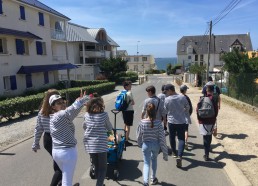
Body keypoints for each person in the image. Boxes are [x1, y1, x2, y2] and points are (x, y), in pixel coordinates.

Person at [50, 91, 91, 186]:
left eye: (62, 102)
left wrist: (78, 101)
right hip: (67, 152)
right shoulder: (62, 115)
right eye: (58, 103)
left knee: (65, 174)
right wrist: (84, 99)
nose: (62, 104)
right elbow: (72, 110)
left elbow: (71, 110)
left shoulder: (53, 116)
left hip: (57, 152)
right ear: (53, 107)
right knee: (67, 181)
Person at [32, 89, 62, 186]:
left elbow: (38, 128)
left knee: (58, 163)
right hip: (56, 139)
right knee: (61, 167)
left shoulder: (42, 111)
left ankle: (61, 183)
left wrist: (35, 143)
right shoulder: (58, 111)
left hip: (48, 140)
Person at [83, 93, 113, 186]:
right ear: (101, 106)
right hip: (101, 145)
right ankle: (99, 184)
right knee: (103, 167)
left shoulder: (86, 115)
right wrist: (111, 138)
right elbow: (109, 128)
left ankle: (99, 182)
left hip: (90, 145)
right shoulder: (104, 115)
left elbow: (84, 127)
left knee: (95, 165)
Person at [137, 103, 168, 186]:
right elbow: (162, 138)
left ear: (146, 111)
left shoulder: (142, 122)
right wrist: (165, 153)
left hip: (146, 145)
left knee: (146, 163)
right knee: (154, 160)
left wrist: (139, 144)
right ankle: (153, 178)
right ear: (155, 112)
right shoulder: (158, 123)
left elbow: (139, 135)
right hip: (156, 145)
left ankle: (145, 182)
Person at [163, 84, 189, 168]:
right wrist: (182, 110)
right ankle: (180, 156)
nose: (166, 93)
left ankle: (174, 152)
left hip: (171, 121)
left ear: (170, 90)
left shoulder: (167, 99)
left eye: (166, 91)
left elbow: (165, 111)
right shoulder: (182, 97)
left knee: (172, 137)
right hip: (181, 121)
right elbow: (187, 107)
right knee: (181, 139)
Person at [197, 85, 218, 161]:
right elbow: (216, 111)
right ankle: (208, 150)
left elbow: (197, 109)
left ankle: (206, 154)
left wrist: (199, 120)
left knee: (205, 137)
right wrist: (214, 119)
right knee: (209, 136)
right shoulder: (214, 99)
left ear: (206, 91)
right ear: (213, 91)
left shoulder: (201, 98)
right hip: (211, 121)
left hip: (203, 121)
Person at [121, 80, 135, 147]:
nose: (131, 86)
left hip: (123, 110)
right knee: (128, 126)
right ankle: (126, 141)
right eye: (130, 85)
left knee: (125, 124)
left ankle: (125, 136)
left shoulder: (121, 92)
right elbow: (133, 103)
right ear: (126, 86)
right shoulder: (129, 93)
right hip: (129, 111)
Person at [180, 85, 193, 150]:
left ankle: (180, 142)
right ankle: (185, 141)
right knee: (186, 130)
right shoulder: (186, 98)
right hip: (185, 116)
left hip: (178, 117)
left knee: (179, 130)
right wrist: (189, 114)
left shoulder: (177, 97)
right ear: (185, 90)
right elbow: (190, 108)